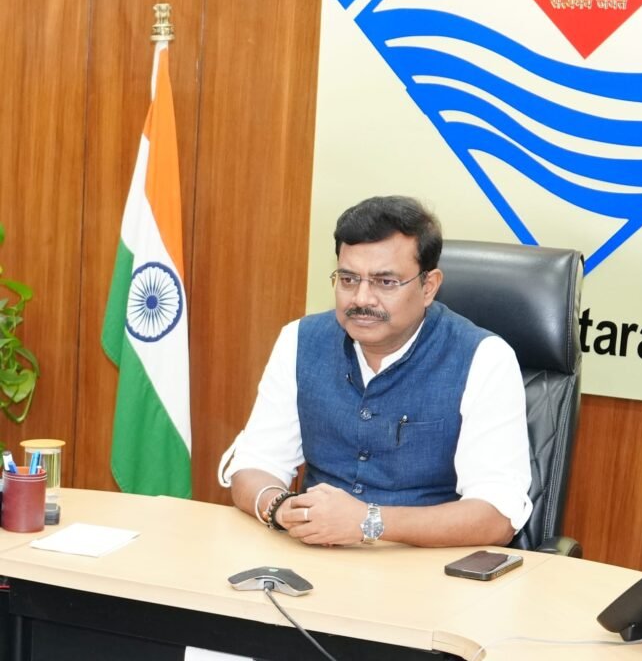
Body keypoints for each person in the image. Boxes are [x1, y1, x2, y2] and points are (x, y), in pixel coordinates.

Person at [218, 196, 531, 547]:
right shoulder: (300, 340)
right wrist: (280, 508)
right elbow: (254, 464)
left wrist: (369, 522)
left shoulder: (485, 358)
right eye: (349, 279)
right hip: (314, 556)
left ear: (428, 286)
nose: (362, 299)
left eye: (385, 282)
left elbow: (496, 517)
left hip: (426, 565)